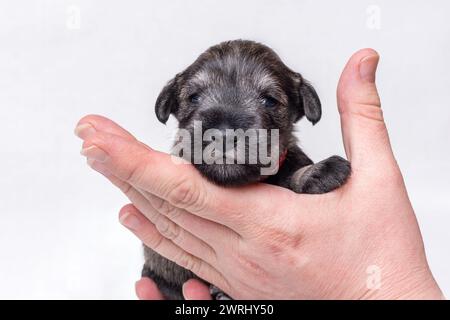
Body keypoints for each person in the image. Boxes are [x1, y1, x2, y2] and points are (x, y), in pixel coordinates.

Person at [75, 49, 444, 300]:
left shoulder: (296, 169)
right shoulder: (173, 177)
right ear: (172, 107)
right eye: (195, 98)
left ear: (300, 110)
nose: (224, 132)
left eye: (268, 101)